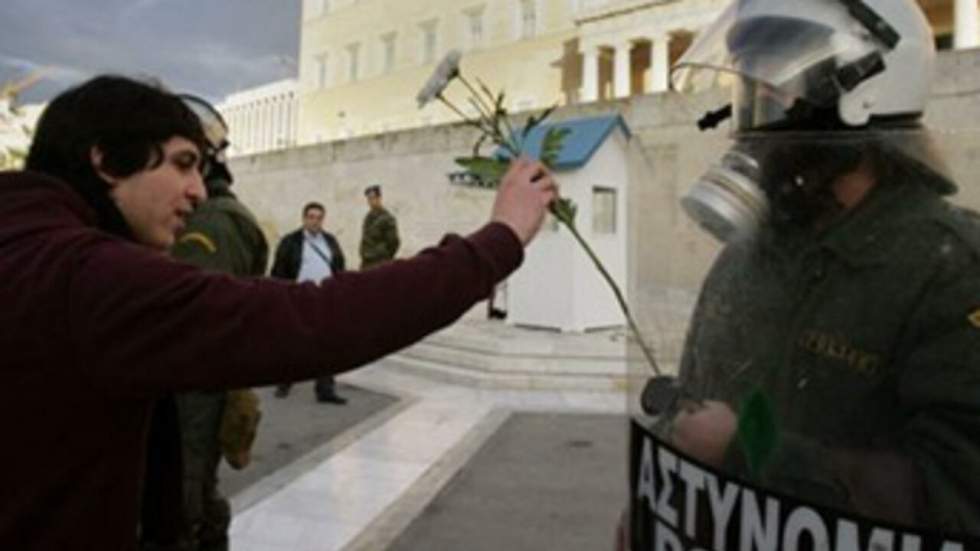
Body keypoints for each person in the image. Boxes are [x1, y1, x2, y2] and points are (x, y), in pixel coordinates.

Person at [0, 74, 557, 549]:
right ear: (105, 160)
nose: (198, 191)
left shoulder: (26, 245)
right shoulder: (86, 278)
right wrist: (498, 240)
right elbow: (313, 320)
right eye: (183, 164)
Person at [645, 0, 980, 538]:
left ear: (864, 89)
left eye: (778, 81)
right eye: (749, 84)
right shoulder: (752, 252)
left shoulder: (948, 270)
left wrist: (751, 450)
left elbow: (957, 494)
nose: (754, 109)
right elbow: (694, 403)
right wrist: (653, 500)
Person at [271, 201, 347, 404]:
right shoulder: (291, 241)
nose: (315, 221)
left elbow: (339, 267)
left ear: (323, 220)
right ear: (304, 218)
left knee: (327, 345)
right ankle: (284, 382)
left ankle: (325, 389)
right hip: (299, 298)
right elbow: (278, 271)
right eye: (311, 217)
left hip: (325, 299)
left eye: (319, 218)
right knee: (292, 342)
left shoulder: (330, 241)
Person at [359, 184, 399, 269]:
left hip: (380, 263)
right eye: (369, 199)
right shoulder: (368, 217)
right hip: (366, 263)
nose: (371, 201)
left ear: (379, 198)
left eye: (373, 198)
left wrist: (385, 257)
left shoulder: (387, 218)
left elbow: (394, 242)